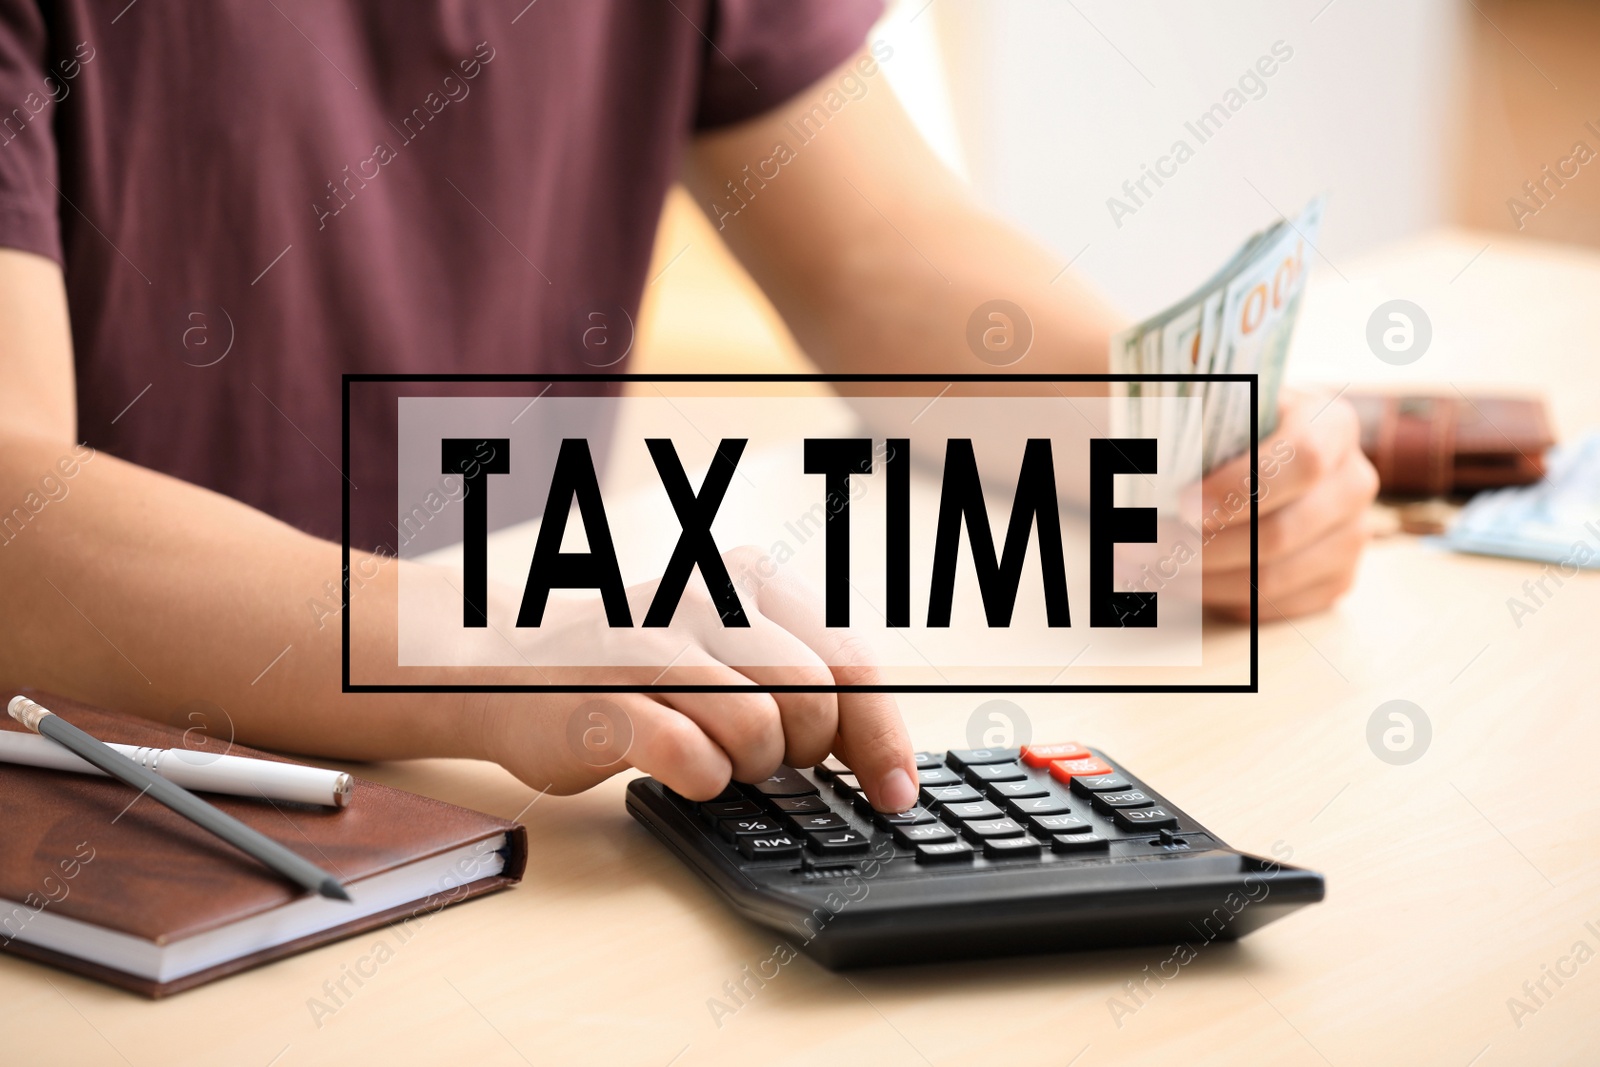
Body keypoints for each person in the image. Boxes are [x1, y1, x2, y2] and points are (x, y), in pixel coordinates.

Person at [0, 2, 1376, 814]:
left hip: (523, 798)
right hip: (121, 817)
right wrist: (467, 639)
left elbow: (880, 255)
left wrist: (1169, 434)